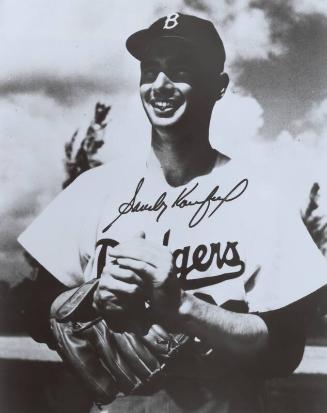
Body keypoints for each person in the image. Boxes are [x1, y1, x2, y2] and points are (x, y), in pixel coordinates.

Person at [18, 12, 327, 413]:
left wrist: (183, 308)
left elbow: (285, 348)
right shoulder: (94, 188)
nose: (160, 86)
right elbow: (34, 304)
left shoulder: (261, 198)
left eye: (180, 71)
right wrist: (94, 298)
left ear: (218, 87)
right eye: (151, 71)